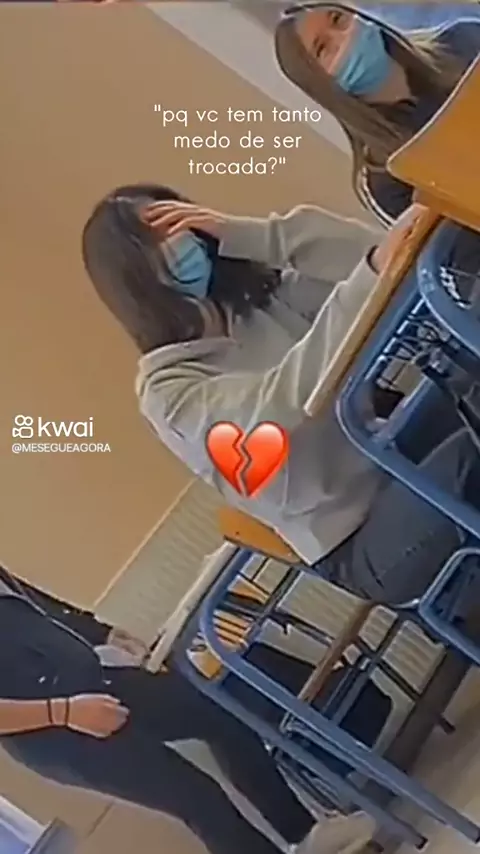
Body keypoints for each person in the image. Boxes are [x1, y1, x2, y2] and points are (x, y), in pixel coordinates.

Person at [80, 183, 479, 607]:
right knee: (468, 451)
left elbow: (393, 269)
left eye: (175, 222)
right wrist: (371, 272)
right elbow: (275, 414)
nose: (178, 241)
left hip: (395, 451)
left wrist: (250, 235)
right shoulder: (168, 395)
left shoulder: (256, 301)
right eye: (155, 238)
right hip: (360, 534)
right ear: (133, 277)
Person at [0, 565, 385, 854]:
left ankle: (305, 834)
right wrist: (64, 712)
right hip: (56, 727)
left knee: (219, 713)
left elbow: (35, 605)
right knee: (196, 797)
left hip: (93, 679)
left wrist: (101, 632)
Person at [274, 4, 480, 227]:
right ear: (318, 83)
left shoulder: (464, 40)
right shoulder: (385, 176)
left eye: (337, 19)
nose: (345, 38)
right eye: (322, 48)